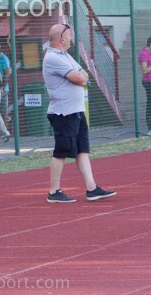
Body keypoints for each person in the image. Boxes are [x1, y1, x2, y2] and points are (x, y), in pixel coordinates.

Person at [43, 23, 115, 203]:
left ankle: (92, 188)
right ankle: (54, 191)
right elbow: (78, 77)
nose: (71, 37)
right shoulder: (52, 57)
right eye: (69, 34)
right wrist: (80, 76)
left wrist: (81, 76)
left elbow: (84, 74)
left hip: (76, 111)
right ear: (62, 38)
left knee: (82, 150)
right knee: (61, 151)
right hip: (63, 113)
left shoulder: (65, 56)